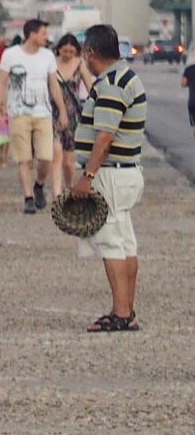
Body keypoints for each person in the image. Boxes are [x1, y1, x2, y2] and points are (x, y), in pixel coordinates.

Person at [67, 25, 146, 333]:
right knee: (125, 242)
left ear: (90, 53)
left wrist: (87, 176)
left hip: (110, 174)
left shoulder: (111, 85)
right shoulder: (127, 77)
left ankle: (121, 313)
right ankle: (128, 311)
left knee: (111, 242)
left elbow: (105, 137)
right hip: (126, 172)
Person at [0, 19, 60, 213]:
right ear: (32, 35)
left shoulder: (48, 56)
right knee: (24, 159)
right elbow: (2, 83)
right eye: (43, 33)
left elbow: (54, 85)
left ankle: (39, 184)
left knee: (46, 157)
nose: (47, 37)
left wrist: (62, 111)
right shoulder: (10, 55)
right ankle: (28, 198)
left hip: (43, 112)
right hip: (18, 112)